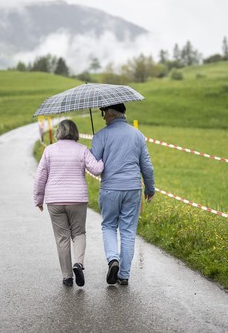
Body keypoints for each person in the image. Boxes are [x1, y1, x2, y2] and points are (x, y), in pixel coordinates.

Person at [33, 119, 104, 287]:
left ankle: (67, 277)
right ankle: (78, 264)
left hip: (55, 200)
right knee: (78, 233)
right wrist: (100, 158)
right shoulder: (82, 150)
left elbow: (40, 176)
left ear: (59, 132)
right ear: (75, 132)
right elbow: (97, 170)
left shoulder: (49, 150)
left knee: (62, 237)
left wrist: (38, 198)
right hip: (77, 199)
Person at [91, 103, 155, 286]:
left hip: (110, 188)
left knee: (109, 225)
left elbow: (93, 166)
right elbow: (147, 166)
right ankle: (124, 274)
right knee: (128, 231)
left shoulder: (101, 135)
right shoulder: (138, 135)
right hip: (133, 188)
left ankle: (113, 260)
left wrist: (95, 146)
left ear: (111, 114)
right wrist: (150, 188)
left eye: (103, 113)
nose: (103, 117)